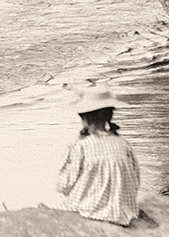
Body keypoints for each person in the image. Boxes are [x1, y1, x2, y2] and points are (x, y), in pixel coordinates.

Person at [54, 84, 145, 227]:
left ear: (84, 118)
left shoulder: (81, 146)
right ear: (109, 116)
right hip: (125, 211)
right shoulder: (124, 144)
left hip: (90, 210)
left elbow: (63, 186)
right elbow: (136, 182)